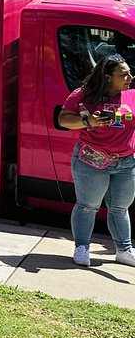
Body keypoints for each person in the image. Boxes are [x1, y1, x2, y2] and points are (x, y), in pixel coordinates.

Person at [55, 54, 135, 268]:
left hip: (126, 163)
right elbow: (63, 119)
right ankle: (82, 247)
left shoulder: (132, 96)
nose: (130, 77)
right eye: (124, 74)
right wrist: (87, 120)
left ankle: (124, 250)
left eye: (129, 73)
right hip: (92, 161)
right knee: (88, 206)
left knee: (120, 207)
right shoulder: (83, 95)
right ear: (108, 77)